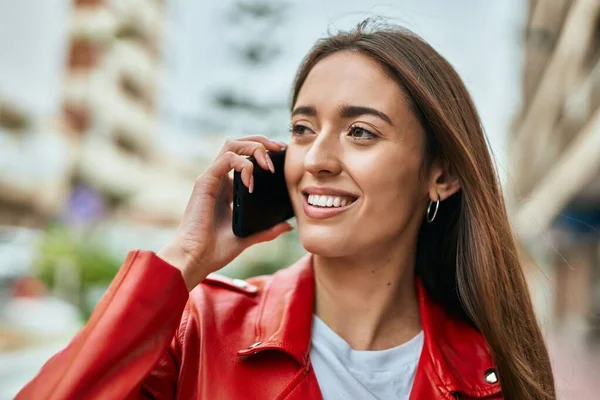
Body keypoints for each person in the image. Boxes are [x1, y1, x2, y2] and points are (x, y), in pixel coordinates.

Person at [17, 21, 555, 400]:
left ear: (441, 174)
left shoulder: (489, 371)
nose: (316, 159)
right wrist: (181, 261)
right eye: (302, 129)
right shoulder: (201, 330)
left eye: (360, 132)